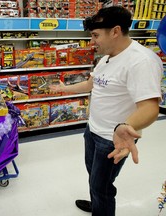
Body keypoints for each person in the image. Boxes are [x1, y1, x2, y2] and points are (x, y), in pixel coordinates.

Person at [50, 6, 162, 216]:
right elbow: (92, 85)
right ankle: (96, 203)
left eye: (95, 35)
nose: (92, 41)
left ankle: (100, 206)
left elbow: (150, 107)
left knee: (102, 187)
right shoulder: (107, 57)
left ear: (115, 31)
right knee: (93, 177)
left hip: (113, 140)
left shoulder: (141, 61)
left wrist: (125, 127)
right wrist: (65, 89)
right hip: (92, 131)